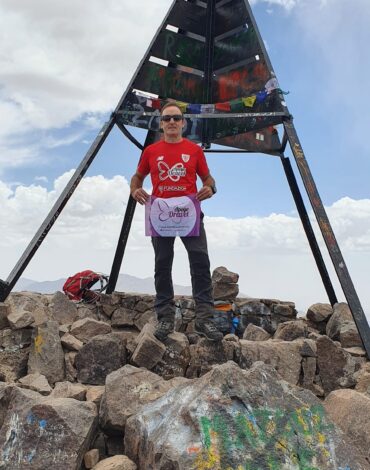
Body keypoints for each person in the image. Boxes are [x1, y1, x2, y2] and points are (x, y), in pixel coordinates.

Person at [130, 102, 223, 342]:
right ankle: (165, 318)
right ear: (161, 124)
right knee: (162, 264)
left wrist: (210, 187)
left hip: (189, 215)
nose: (172, 122)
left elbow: (208, 177)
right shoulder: (151, 151)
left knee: (200, 260)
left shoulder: (194, 151)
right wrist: (135, 189)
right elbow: (138, 176)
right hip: (161, 216)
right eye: (167, 118)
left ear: (183, 122)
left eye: (176, 118)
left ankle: (204, 320)